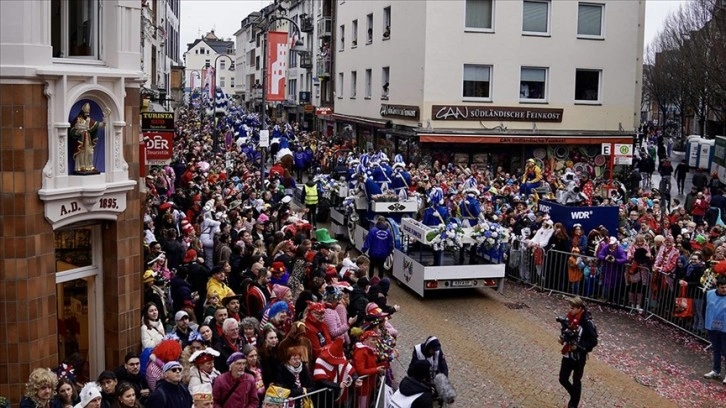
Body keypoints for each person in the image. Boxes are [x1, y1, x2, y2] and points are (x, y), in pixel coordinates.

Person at [558, 296, 598, 408]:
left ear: (579, 308)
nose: (570, 310)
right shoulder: (569, 318)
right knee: (563, 378)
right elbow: (565, 331)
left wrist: (580, 347)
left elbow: (593, 341)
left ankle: (573, 404)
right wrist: (563, 338)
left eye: (572, 308)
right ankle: (574, 395)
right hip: (568, 354)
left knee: (576, 380)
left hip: (579, 357)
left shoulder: (587, 323)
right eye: (570, 308)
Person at [69, 102, 107, 173]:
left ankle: (89, 166)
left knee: (90, 152)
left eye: (88, 113)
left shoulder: (89, 120)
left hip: (88, 139)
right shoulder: (77, 120)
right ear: (82, 112)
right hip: (80, 140)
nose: (87, 115)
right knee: (81, 153)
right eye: (85, 113)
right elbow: (71, 131)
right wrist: (78, 131)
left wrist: (105, 119)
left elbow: (98, 125)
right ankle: (81, 167)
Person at [703, 275, 726, 384]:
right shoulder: (709, 294)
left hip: (725, 328)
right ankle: (716, 370)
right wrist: (706, 322)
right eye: (722, 287)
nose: (724, 289)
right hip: (712, 327)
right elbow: (704, 308)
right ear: (717, 286)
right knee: (716, 349)